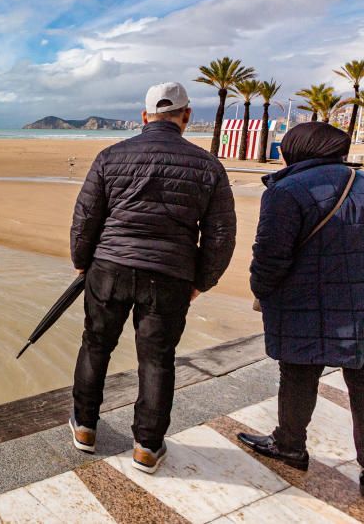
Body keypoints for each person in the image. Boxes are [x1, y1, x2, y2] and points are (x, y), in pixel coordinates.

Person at [68, 82, 237, 473]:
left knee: (96, 345)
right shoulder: (208, 165)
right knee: (157, 360)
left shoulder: (111, 156)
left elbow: (85, 218)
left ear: (144, 117)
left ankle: (85, 428)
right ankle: (147, 446)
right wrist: (202, 280)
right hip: (170, 273)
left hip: (109, 266)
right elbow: (221, 234)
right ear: (186, 116)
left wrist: (82, 262)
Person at [238, 122, 364, 495]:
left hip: (303, 304)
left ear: (296, 150)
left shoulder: (287, 190)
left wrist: (260, 289)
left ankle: (289, 446)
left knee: (297, 377)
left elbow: (270, 256)